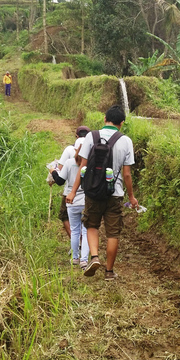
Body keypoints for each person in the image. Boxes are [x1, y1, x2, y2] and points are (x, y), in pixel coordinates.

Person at [66, 106, 138, 281]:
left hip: (93, 191)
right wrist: (131, 197)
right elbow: (127, 174)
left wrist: (73, 191)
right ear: (122, 123)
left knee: (92, 225)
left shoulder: (91, 136)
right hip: (115, 193)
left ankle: (95, 257)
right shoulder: (126, 140)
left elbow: (82, 166)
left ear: (105, 118)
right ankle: (109, 272)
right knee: (113, 233)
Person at [49, 144, 89, 268]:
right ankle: (84, 260)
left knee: (75, 230)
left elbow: (60, 181)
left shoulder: (69, 162)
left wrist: (53, 172)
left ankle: (75, 258)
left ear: (76, 150)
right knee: (86, 230)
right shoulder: (91, 164)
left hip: (71, 201)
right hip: (85, 201)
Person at [55, 126, 91, 240]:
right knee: (86, 221)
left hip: (70, 192)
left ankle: (75, 240)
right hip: (87, 192)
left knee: (65, 216)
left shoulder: (69, 150)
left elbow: (60, 170)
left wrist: (53, 172)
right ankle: (85, 246)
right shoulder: (92, 149)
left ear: (76, 136)